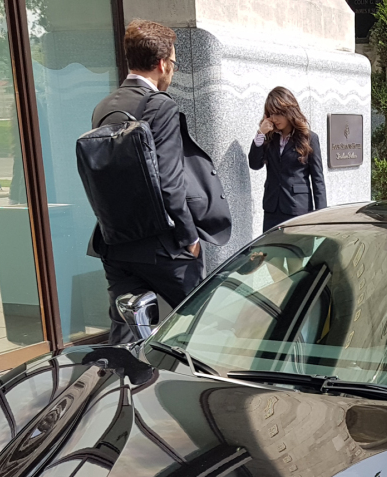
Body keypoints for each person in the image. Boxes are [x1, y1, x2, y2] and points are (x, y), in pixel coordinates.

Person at [88, 19, 231, 344]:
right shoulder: (158, 105)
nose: (172, 71)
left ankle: (125, 388)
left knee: (127, 332)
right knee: (197, 331)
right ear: (162, 63)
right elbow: (169, 179)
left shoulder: (104, 106)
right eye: (174, 63)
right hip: (163, 245)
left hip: (116, 243)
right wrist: (188, 237)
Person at [248, 87, 327, 233]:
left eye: (278, 113)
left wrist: (321, 215)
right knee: (272, 253)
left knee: (297, 254)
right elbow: (254, 164)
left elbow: (318, 180)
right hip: (272, 208)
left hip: (297, 208)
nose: (275, 118)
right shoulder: (269, 137)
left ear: (289, 111)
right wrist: (260, 134)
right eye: (271, 114)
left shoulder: (309, 138)